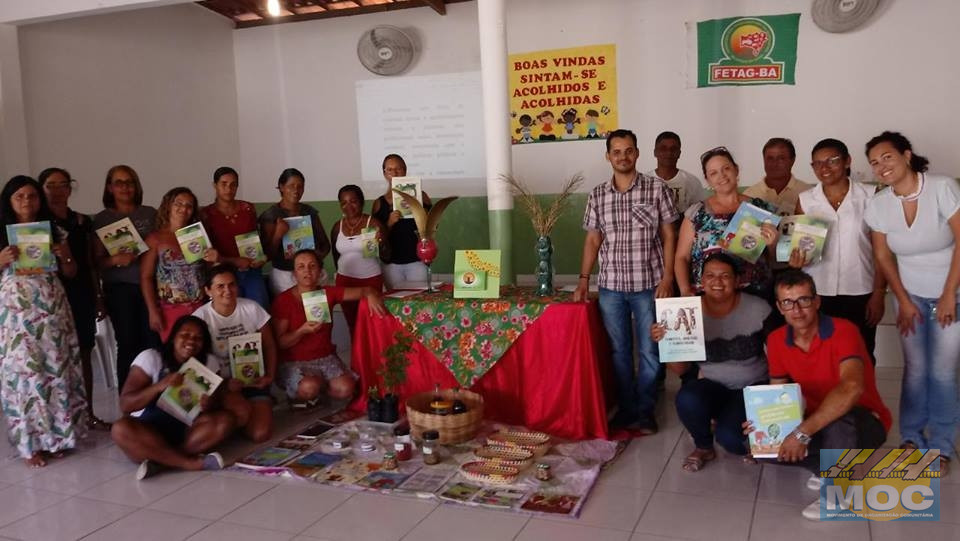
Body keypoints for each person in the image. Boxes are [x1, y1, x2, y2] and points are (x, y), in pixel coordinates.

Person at [864, 131, 959, 476]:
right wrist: (902, 300)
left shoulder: (942, 187)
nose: (881, 166)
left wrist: (949, 293)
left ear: (906, 155)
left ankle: (942, 446)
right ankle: (911, 438)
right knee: (916, 371)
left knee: (943, 373)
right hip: (911, 296)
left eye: (887, 157)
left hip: (952, 292)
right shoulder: (879, 204)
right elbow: (882, 256)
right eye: (874, 162)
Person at [760, 269, 890, 520]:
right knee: (758, 442)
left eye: (804, 300)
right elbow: (777, 393)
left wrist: (801, 432)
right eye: (788, 302)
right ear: (779, 307)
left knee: (838, 423)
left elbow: (851, 388)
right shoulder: (777, 340)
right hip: (815, 417)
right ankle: (824, 469)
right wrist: (764, 424)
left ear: (817, 301)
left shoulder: (844, 330)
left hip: (863, 419)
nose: (797, 310)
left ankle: (837, 496)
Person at [573, 129, 679, 434]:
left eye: (628, 150)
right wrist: (583, 281)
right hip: (611, 287)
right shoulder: (598, 194)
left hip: (649, 283)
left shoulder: (656, 190)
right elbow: (593, 240)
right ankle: (627, 408)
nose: (623, 156)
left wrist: (668, 277)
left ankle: (645, 411)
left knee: (649, 351)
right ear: (608, 156)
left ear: (637, 153)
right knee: (619, 352)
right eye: (617, 151)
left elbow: (669, 235)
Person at [651, 253, 777, 471]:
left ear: (737, 281)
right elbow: (681, 369)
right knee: (687, 398)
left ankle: (735, 428)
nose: (717, 282)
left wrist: (774, 403)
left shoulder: (758, 308)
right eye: (710, 275)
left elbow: (779, 357)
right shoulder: (685, 312)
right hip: (713, 385)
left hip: (752, 387)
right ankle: (703, 446)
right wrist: (667, 343)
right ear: (701, 281)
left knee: (731, 440)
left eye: (725, 276)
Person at [0, 175, 87, 467]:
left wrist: (66, 258)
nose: (27, 201)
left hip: (52, 312)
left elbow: (72, 273)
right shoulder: (1, 234)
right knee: (26, 376)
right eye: (19, 197)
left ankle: (56, 439)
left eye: (32, 196)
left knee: (55, 372)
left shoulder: (55, 231)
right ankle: (29, 444)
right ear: (9, 201)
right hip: (17, 317)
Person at [791, 139, 885, 362]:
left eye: (832, 161)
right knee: (821, 355)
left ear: (847, 161)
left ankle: (862, 398)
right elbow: (798, 249)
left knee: (860, 353)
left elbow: (882, 253)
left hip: (860, 290)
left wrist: (879, 293)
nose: (825, 168)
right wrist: (795, 261)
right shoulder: (806, 200)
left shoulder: (870, 196)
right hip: (818, 292)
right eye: (817, 163)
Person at [110, 315, 232, 480]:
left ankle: (161, 461)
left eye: (198, 338)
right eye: (185, 335)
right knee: (120, 429)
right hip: (147, 430)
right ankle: (189, 463)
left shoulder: (209, 362)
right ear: (173, 336)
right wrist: (159, 386)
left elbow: (217, 403)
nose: (191, 341)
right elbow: (126, 405)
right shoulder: (152, 357)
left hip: (186, 431)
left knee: (224, 421)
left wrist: (209, 404)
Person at [39, 167, 111, 430]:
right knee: (52, 358)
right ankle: (58, 421)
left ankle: (88, 413)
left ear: (70, 188)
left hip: (80, 294)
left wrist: (98, 297)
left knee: (83, 352)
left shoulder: (81, 222)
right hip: (46, 298)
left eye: (63, 184)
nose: (58, 190)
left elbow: (91, 264)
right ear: (41, 189)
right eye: (51, 185)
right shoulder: (35, 227)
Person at [271, 250, 386, 405]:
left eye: (312, 266)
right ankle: (302, 394)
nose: (307, 271)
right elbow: (280, 342)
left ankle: (319, 389)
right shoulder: (284, 300)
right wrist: (301, 331)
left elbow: (365, 290)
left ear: (320, 271)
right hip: (293, 361)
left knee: (346, 389)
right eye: (301, 267)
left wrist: (371, 294)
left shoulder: (327, 293)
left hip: (325, 357)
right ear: (294, 273)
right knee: (309, 387)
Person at [676, 147, 780, 299]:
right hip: (709, 295)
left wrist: (772, 243)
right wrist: (684, 289)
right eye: (713, 173)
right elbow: (682, 257)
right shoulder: (696, 213)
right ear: (707, 180)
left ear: (736, 170)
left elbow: (774, 259)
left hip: (755, 292)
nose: (722, 176)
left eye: (726, 168)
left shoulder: (760, 209)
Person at [193, 264, 276, 442]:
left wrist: (269, 375)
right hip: (222, 385)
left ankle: (239, 418)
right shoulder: (200, 318)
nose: (228, 291)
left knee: (260, 433)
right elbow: (196, 362)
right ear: (208, 290)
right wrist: (224, 386)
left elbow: (269, 345)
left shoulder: (252, 308)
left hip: (253, 381)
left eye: (232, 285)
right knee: (241, 413)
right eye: (220, 286)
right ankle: (225, 419)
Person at [93, 165, 159, 390]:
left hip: (152, 287)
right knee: (129, 343)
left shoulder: (150, 214)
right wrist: (114, 260)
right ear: (110, 187)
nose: (125, 187)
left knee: (154, 343)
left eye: (129, 181)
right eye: (119, 182)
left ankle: (156, 397)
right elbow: (95, 262)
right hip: (121, 289)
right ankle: (129, 399)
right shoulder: (102, 219)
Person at [141, 187, 216, 341]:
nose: (184, 208)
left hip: (200, 306)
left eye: (189, 205)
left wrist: (214, 259)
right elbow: (146, 277)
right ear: (168, 205)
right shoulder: (155, 239)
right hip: (170, 309)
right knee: (175, 355)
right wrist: (152, 311)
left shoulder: (198, 236)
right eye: (179, 203)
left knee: (201, 351)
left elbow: (208, 270)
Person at [199, 167, 269, 310]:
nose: (228, 188)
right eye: (223, 184)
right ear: (215, 185)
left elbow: (255, 239)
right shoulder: (206, 214)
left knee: (258, 310)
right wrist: (232, 260)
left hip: (250, 271)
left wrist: (260, 257)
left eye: (233, 184)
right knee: (230, 313)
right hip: (222, 274)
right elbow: (207, 254)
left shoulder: (248, 208)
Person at [258, 168, 331, 296]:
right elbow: (266, 255)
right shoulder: (270, 215)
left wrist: (315, 258)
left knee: (316, 312)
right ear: (281, 187)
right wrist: (278, 235)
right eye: (291, 186)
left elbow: (325, 244)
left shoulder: (309, 211)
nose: (296, 190)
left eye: (300, 186)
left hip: (311, 274)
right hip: (285, 274)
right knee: (292, 312)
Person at [330, 184, 388, 335]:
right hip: (345, 281)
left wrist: (382, 243)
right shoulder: (337, 226)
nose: (348, 206)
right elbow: (336, 255)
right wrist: (341, 273)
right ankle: (357, 358)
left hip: (370, 280)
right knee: (352, 324)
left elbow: (387, 255)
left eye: (353, 201)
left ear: (362, 202)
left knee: (371, 323)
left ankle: (372, 358)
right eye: (344, 202)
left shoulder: (374, 224)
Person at [371, 154, 433, 289]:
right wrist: (389, 223)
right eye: (390, 169)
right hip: (391, 264)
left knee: (419, 302)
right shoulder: (379, 203)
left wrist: (418, 211)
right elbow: (375, 239)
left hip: (417, 261)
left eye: (399, 168)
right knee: (394, 303)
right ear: (384, 173)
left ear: (405, 170)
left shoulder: (422, 196)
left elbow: (432, 226)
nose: (395, 173)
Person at [743, 137, 814, 218]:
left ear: (792, 160)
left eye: (781, 158)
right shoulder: (749, 195)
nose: (774, 164)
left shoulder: (809, 193)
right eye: (770, 158)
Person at [646, 131, 707, 214]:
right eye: (663, 149)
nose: (669, 153)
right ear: (655, 152)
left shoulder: (692, 182)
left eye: (673, 149)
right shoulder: (645, 181)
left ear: (679, 153)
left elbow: (699, 214)